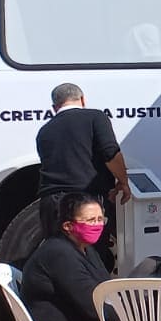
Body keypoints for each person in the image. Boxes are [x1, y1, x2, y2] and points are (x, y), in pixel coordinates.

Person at [35, 83, 131, 260]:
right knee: (91, 257)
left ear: (55, 107)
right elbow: (110, 153)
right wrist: (123, 182)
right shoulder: (95, 117)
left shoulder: (44, 130)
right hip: (84, 201)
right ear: (82, 99)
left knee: (59, 257)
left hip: (50, 203)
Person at [19, 192, 117, 321]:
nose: (97, 225)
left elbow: (106, 288)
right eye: (90, 220)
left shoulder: (86, 249)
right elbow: (92, 306)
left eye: (100, 219)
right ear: (68, 226)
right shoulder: (59, 254)